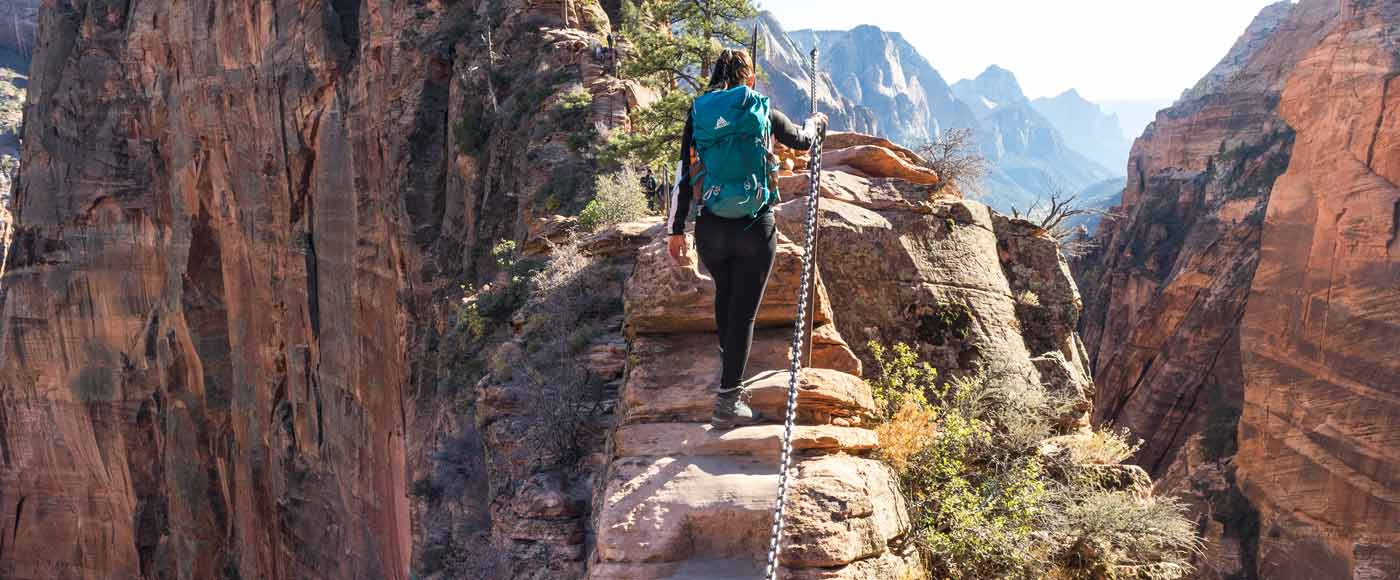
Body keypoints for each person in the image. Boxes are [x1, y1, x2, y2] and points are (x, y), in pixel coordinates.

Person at [665, 48, 827, 429]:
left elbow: (683, 174)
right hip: (755, 225)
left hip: (711, 227)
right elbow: (803, 140)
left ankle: (729, 365)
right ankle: (728, 400)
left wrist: (676, 230)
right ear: (749, 78)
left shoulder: (699, 111)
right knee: (745, 312)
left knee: (726, 296)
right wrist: (816, 122)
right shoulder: (760, 108)